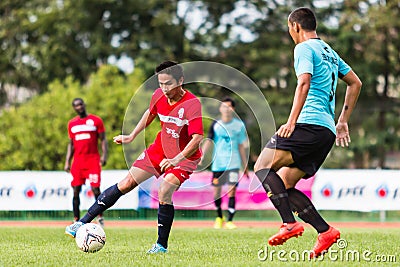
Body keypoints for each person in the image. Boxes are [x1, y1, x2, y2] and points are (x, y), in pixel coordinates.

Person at [254, 7, 362, 258]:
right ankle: (325, 231)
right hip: (325, 131)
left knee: (262, 167)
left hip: (307, 124)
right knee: (286, 183)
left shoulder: (303, 48)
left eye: (289, 28)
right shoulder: (330, 52)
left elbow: (303, 82)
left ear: (295, 26)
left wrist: (291, 121)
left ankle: (289, 224)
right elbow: (356, 82)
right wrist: (342, 120)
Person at [65, 61, 203, 254]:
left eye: (168, 84)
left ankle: (161, 246)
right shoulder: (158, 95)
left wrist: (176, 160)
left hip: (185, 157)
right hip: (160, 150)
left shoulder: (192, 103)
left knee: (164, 191)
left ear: (181, 80)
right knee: (127, 182)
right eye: (160, 83)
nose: (164, 89)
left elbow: (197, 138)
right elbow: (150, 113)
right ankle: (81, 223)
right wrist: (131, 136)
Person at [200, 96, 248, 230]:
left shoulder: (239, 125)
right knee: (217, 192)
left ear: (233, 109)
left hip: (233, 164)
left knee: (232, 191)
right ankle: (219, 217)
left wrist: (244, 166)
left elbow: (241, 146)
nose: (226, 109)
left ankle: (230, 220)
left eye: (229, 107)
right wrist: (202, 155)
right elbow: (208, 140)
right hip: (218, 164)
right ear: (220, 109)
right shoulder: (216, 124)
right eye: (224, 106)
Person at [64, 98, 108, 226]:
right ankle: (76, 219)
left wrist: (104, 156)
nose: (79, 107)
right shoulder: (72, 124)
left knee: (95, 189)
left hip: (93, 160)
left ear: (84, 105)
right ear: (74, 108)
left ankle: (100, 217)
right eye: (76, 106)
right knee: (76, 190)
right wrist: (67, 161)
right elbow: (71, 144)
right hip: (77, 161)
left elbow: (103, 140)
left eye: (80, 104)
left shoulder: (96, 121)